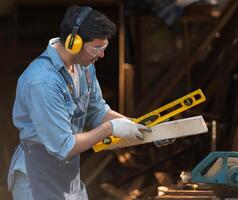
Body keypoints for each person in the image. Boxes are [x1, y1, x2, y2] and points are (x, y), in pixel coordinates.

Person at [7, 5, 151, 200]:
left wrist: (138, 127)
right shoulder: (43, 82)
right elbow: (63, 146)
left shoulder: (84, 67)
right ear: (73, 43)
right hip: (37, 175)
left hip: (67, 175)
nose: (102, 55)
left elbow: (97, 110)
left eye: (105, 47)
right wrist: (110, 128)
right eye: (97, 48)